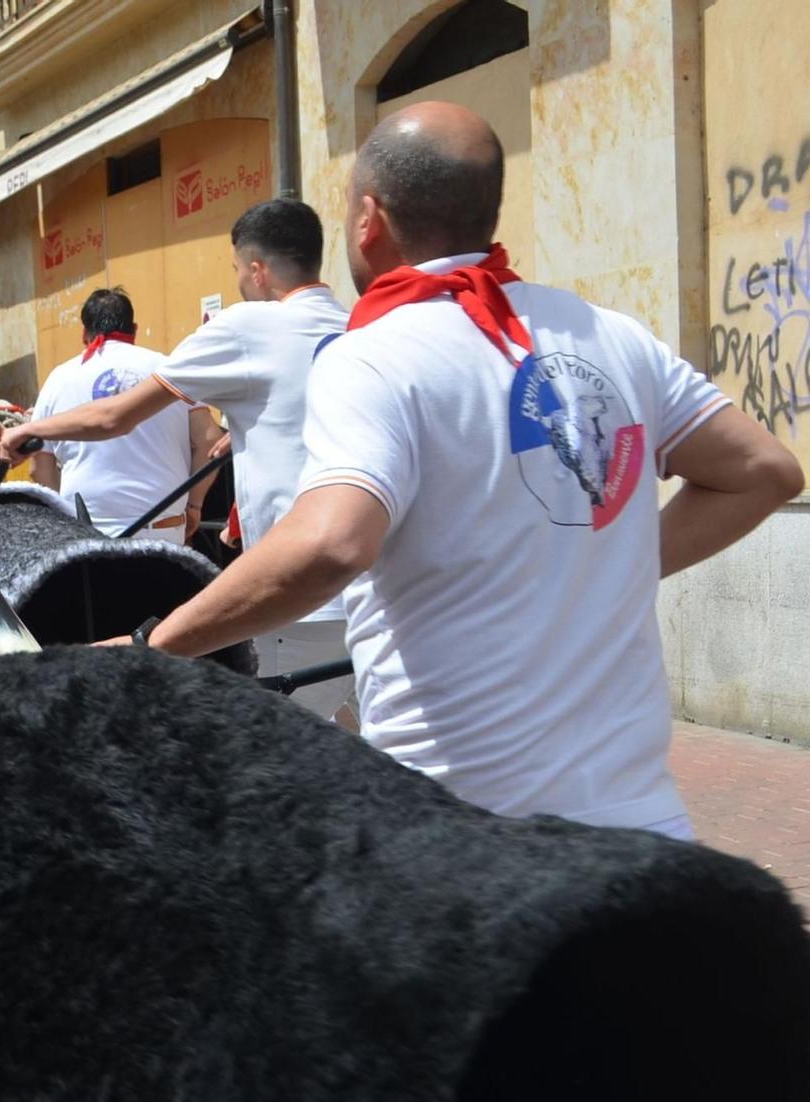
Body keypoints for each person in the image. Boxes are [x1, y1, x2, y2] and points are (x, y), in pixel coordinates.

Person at [143, 102, 804, 836]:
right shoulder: (612, 334)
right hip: (646, 836)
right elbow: (764, 471)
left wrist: (155, 644)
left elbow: (332, 542)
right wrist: (609, 564)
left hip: (469, 849)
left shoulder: (374, 354)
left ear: (369, 219)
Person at [0, 200, 355, 717]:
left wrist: (31, 429)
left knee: (268, 761)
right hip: (374, 590)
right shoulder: (355, 326)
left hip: (298, 595)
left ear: (257, 269)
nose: (238, 283)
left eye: (236, 270)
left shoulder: (248, 326)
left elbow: (113, 417)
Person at [18, 289, 213, 543]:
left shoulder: (59, 378)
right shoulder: (169, 368)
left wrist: (65, 519)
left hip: (87, 534)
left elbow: (38, 465)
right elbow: (209, 440)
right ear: (134, 329)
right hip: (164, 530)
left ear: (84, 333)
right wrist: (194, 504)